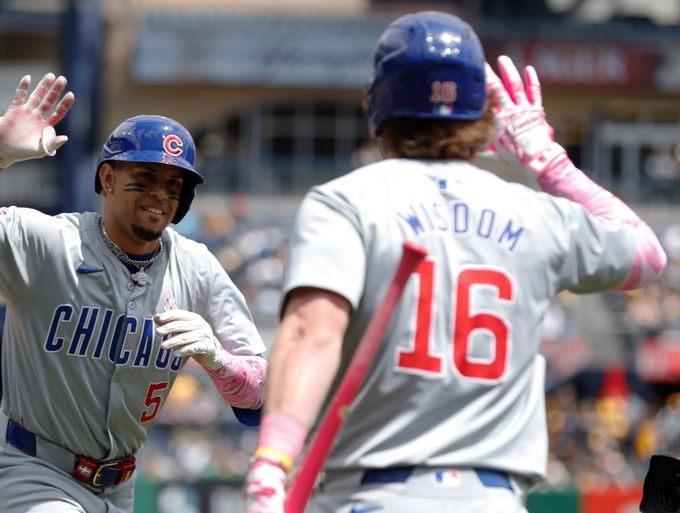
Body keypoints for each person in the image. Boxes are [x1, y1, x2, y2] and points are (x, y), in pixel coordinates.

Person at [243, 11, 666, 513]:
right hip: (493, 499)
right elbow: (646, 255)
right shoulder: (537, 213)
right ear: (484, 110)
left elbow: (312, 335)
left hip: (373, 493)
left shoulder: (346, 201)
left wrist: (272, 463)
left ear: (375, 102)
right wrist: (551, 164)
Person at [0, 72, 267, 513]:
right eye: (145, 177)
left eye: (174, 185)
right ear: (108, 178)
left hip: (119, 488)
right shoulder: (49, 242)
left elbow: (261, 395)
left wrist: (218, 361)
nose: (160, 195)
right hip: (28, 472)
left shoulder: (198, 268)